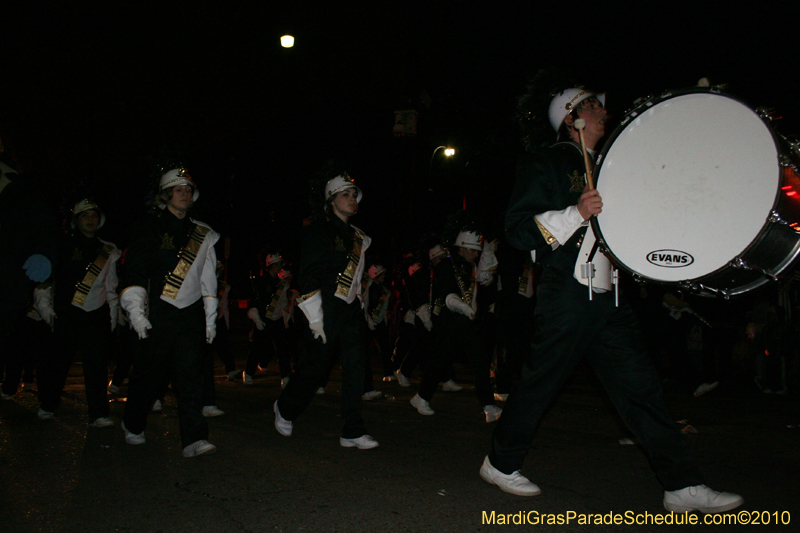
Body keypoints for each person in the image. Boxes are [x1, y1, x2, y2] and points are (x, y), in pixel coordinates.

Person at [480, 86, 743, 514]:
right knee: (540, 382)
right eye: (593, 106)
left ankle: (681, 485)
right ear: (571, 118)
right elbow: (518, 231)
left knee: (641, 388)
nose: (604, 111)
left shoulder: (613, 165)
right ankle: (499, 462)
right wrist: (575, 213)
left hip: (611, 293)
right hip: (567, 290)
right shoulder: (544, 161)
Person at [273, 171, 378, 449]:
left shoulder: (359, 237)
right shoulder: (317, 230)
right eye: (346, 195)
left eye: (354, 195)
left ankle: (352, 430)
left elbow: (356, 279)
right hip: (324, 307)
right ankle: (285, 408)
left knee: (356, 368)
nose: (352, 199)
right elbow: (308, 276)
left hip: (350, 310)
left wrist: (362, 306)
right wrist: (316, 318)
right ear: (331, 201)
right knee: (315, 368)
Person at [120, 167, 219, 458]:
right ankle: (132, 423)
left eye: (188, 190)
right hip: (158, 312)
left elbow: (208, 280)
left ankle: (193, 439)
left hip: (190, 314)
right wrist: (136, 313)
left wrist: (210, 320)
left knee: (190, 376)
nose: (185, 194)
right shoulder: (146, 227)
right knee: (149, 376)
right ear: (165, 195)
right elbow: (135, 272)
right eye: (179, 189)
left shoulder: (204, 234)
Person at [34, 198, 121, 426]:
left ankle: (99, 413)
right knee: (58, 363)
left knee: (97, 366)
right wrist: (44, 307)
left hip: (96, 315)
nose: (90, 220)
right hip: (67, 313)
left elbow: (111, 287)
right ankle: (48, 404)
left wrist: (112, 315)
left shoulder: (109, 250)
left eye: (94, 216)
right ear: (76, 220)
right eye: (85, 216)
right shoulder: (61, 245)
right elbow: (46, 280)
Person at [410, 229, 501, 422]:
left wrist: (489, 253)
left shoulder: (469, 266)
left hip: (467, 323)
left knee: (480, 362)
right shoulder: (446, 266)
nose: (476, 254)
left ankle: (489, 406)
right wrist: (466, 309)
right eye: (473, 251)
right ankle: (421, 397)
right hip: (449, 323)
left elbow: (486, 277)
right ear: (463, 248)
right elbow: (448, 296)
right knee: (439, 361)